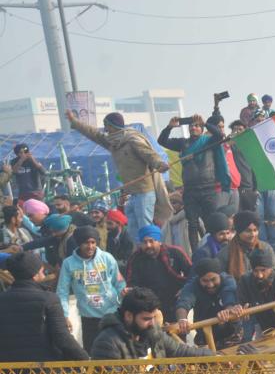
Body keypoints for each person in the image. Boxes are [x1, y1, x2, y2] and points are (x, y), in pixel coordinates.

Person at [67, 110, 169, 240]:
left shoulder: (133, 140)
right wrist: (74, 122)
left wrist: (160, 164)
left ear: (113, 126)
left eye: (107, 125)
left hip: (144, 191)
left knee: (145, 226)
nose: (105, 129)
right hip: (131, 193)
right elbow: (93, 134)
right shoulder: (112, 142)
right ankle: (137, 252)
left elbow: (149, 154)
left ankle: (152, 249)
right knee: (132, 228)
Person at [0, 251, 89, 362]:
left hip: (8, 372)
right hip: (44, 370)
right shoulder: (49, 299)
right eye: (41, 270)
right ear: (34, 274)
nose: (44, 272)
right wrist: (85, 360)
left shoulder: (2, 299)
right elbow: (61, 337)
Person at [158, 114, 228, 249]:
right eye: (191, 126)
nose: (193, 128)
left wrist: (206, 123)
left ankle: (212, 249)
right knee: (193, 223)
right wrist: (169, 127)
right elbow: (162, 141)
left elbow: (220, 135)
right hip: (190, 189)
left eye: (197, 126)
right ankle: (196, 252)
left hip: (208, 188)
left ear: (202, 129)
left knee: (211, 222)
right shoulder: (183, 143)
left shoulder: (208, 141)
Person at [57, 225, 126, 351]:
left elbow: (119, 283)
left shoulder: (107, 258)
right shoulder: (68, 263)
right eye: (86, 243)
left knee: (115, 350)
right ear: (78, 243)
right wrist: (64, 315)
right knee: (93, 352)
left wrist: (123, 298)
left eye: (93, 242)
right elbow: (62, 291)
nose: (90, 247)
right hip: (89, 317)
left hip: (112, 314)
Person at [126, 225, 191, 323]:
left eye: (151, 241)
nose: (148, 245)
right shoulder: (135, 259)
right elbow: (131, 283)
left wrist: (185, 289)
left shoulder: (175, 253)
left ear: (159, 241)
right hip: (151, 308)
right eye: (144, 242)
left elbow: (192, 273)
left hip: (176, 303)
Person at [175, 258, 242, 349]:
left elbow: (229, 297)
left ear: (219, 275)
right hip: (205, 338)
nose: (210, 285)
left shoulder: (228, 281)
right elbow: (183, 302)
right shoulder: (192, 286)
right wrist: (182, 319)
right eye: (205, 281)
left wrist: (228, 311)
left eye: (213, 279)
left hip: (231, 336)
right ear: (199, 279)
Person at [218, 210, 275, 279]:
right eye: (248, 231)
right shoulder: (225, 253)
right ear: (239, 231)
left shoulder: (266, 248)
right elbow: (221, 279)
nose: (253, 234)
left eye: (255, 230)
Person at [227, 120, 259, 213]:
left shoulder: (250, 146)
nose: (237, 131)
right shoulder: (227, 146)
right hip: (233, 188)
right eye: (235, 129)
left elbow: (254, 168)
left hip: (248, 187)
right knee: (236, 217)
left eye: (240, 129)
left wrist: (256, 188)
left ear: (245, 131)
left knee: (250, 216)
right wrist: (229, 141)